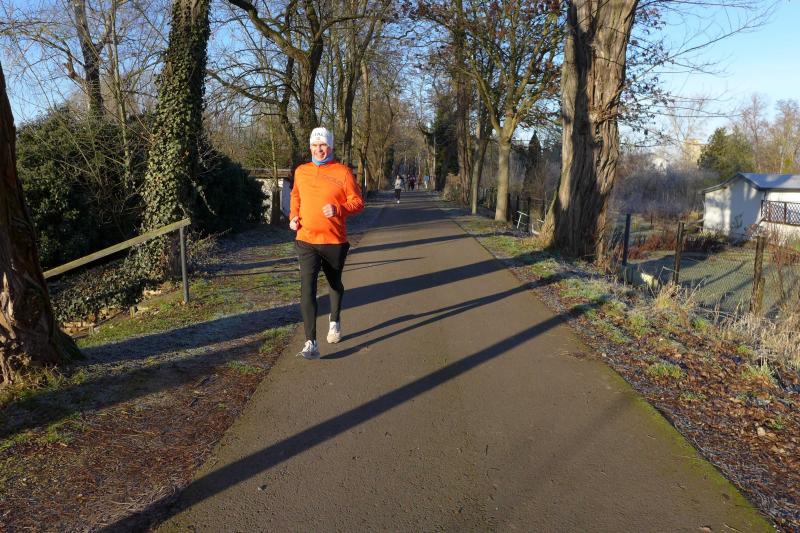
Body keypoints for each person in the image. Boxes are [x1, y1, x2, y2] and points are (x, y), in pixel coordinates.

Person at [290, 127, 364, 359]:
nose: (318, 149)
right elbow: (295, 196)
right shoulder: (301, 171)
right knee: (307, 288)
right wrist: (293, 216)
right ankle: (311, 342)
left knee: (334, 283)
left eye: (322, 145)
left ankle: (335, 320)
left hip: (333, 241)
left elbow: (357, 202)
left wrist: (338, 209)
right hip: (306, 239)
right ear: (310, 147)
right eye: (314, 145)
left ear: (330, 146)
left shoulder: (342, 172)